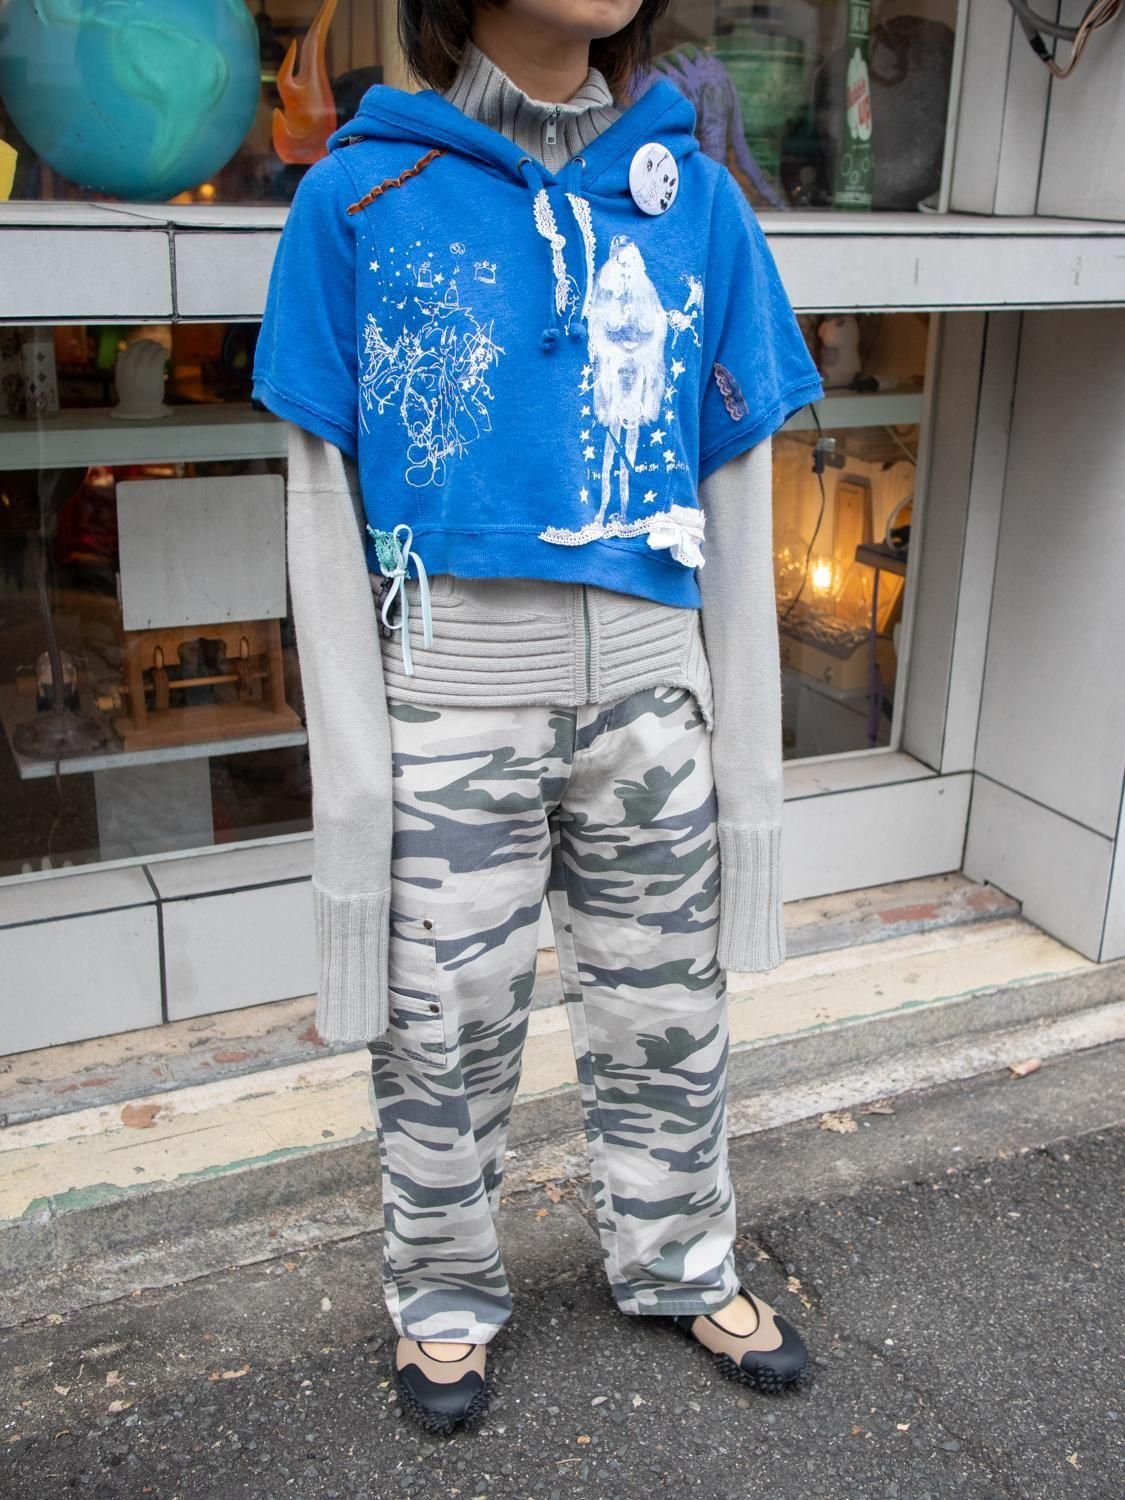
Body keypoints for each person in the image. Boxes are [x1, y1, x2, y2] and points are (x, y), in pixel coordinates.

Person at [252, 0, 824, 1436]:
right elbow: (322, 515)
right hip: (448, 704)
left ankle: (683, 1261)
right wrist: (356, 802)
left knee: (670, 1019)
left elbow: (737, 493)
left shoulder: (693, 201)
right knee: (439, 1043)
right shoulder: (359, 197)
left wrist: (746, 787)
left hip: (652, 702)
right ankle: (441, 1297)